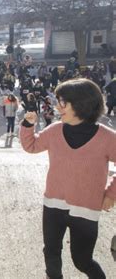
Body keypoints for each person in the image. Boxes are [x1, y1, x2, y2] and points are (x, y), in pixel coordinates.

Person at [20, 78, 116, 279]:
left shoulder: (108, 138)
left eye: (62, 102)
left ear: (81, 104)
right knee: (51, 252)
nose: (57, 107)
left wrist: (111, 193)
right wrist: (28, 124)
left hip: (87, 209)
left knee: (82, 260)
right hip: (53, 204)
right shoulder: (55, 130)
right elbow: (31, 146)